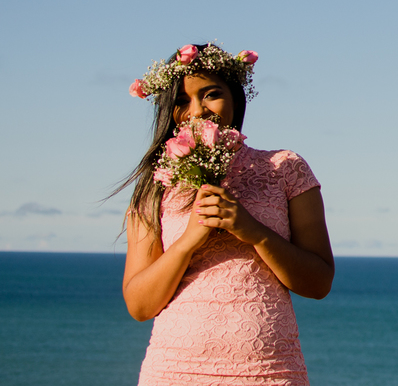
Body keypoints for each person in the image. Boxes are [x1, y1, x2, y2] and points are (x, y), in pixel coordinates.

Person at [117, 43, 334, 386]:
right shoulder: (156, 184)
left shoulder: (285, 168)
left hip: (270, 373)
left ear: (235, 97)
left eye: (211, 94)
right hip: (173, 372)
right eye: (182, 101)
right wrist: (188, 241)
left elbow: (319, 283)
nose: (197, 110)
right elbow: (140, 306)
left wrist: (254, 232)